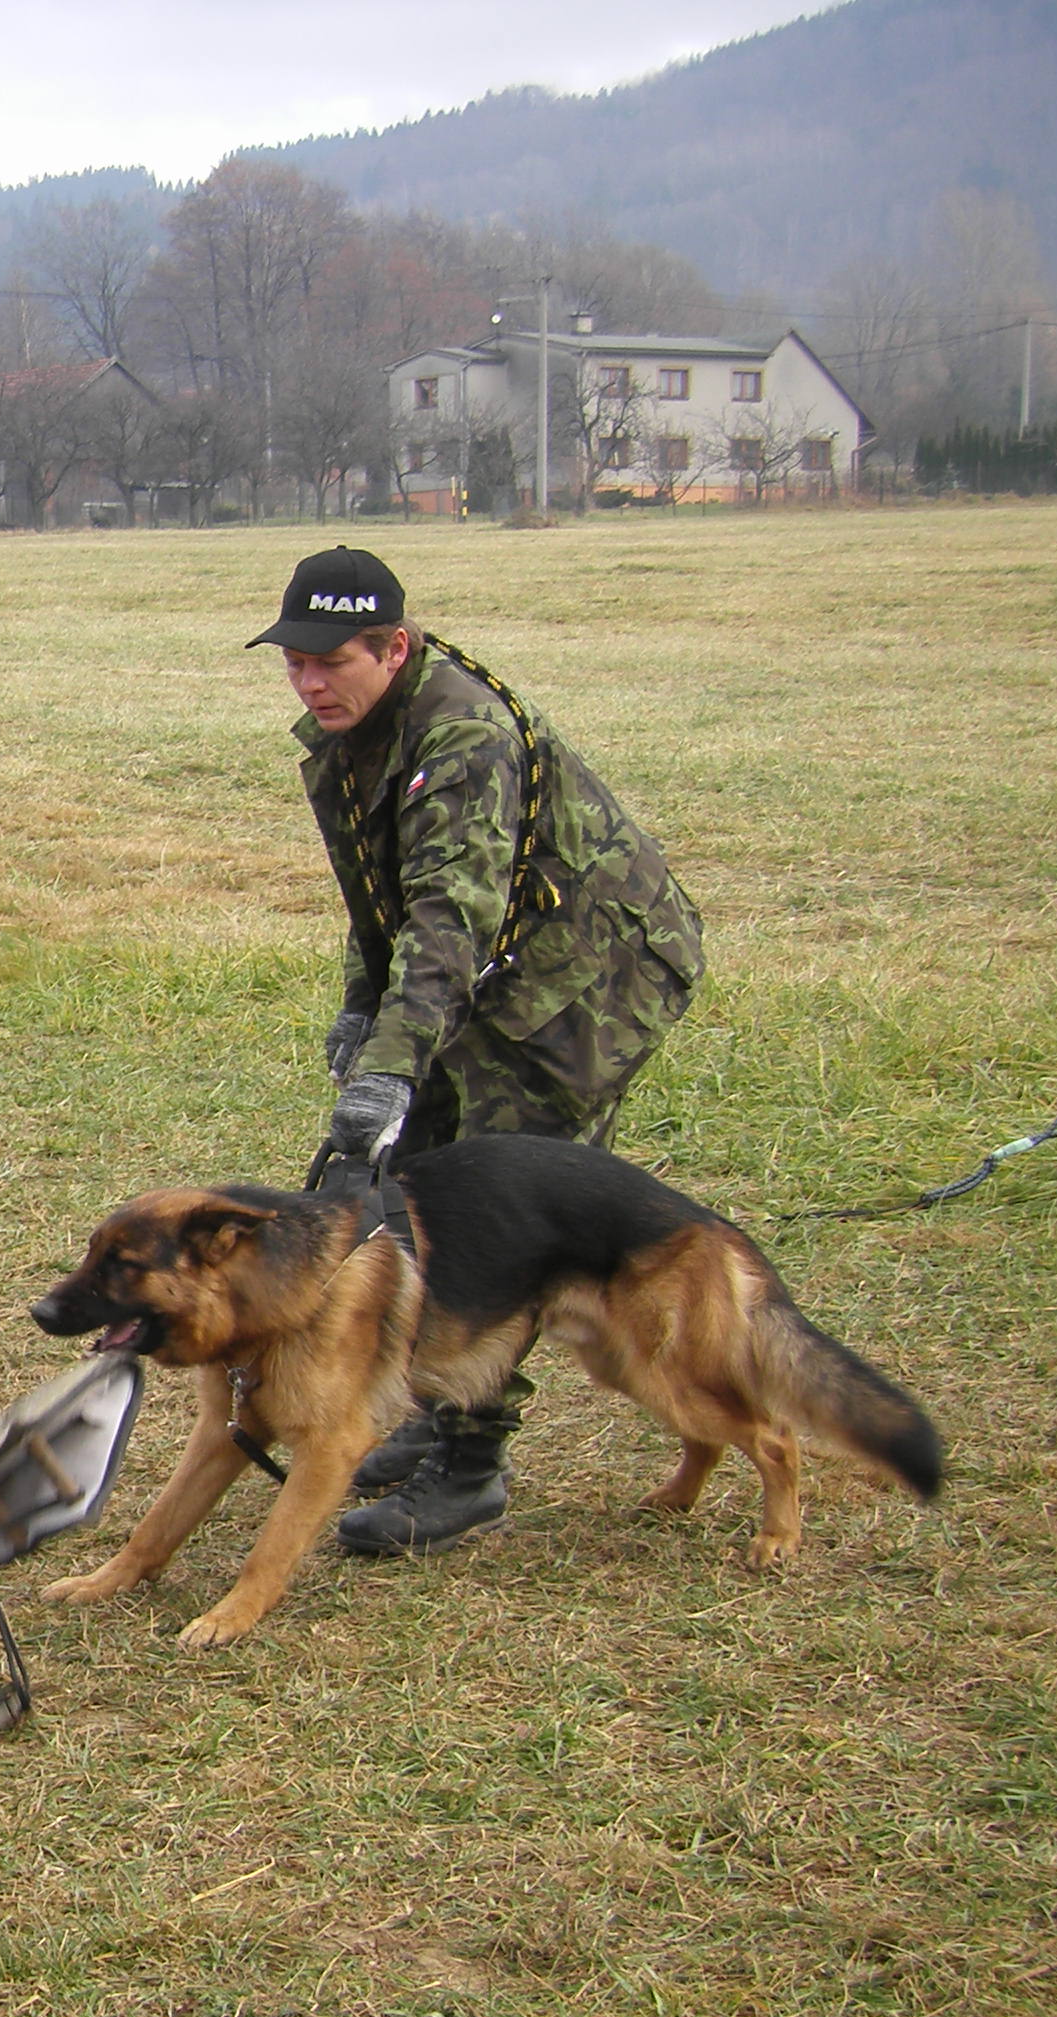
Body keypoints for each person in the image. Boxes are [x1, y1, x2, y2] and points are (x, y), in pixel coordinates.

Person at [250, 545, 704, 1557]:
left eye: (333, 660)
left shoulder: (460, 739)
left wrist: (389, 1070)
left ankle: (471, 1464)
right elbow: (389, 901)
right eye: (295, 661)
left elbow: (451, 917)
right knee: (414, 1187)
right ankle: (427, 1415)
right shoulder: (358, 734)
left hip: (588, 979)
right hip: (495, 965)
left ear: (394, 647)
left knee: (495, 1204)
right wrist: (364, 1011)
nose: (311, 680)